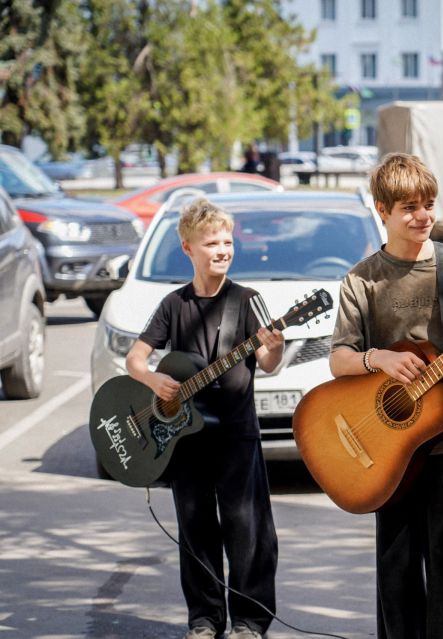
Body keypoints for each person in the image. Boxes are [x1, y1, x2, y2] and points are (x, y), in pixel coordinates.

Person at [329, 152, 443, 638]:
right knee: (397, 570)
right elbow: (340, 359)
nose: (423, 216)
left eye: (429, 204)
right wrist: (377, 359)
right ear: (381, 210)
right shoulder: (362, 278)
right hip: (388, 449)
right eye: (409, 207)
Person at [126, 198, 284, 639]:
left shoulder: (249, 301)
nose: (222, 249)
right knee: (196, 529)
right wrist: (155, 381)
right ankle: (204, 618)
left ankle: (250, 622)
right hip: (185, 440)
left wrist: (272, 345)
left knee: (247, 530)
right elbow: (135, 360)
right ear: (188, 248)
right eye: (211, 242)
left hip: (237, 434)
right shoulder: (173, 304)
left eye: (228, 241)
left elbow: (271, 362)